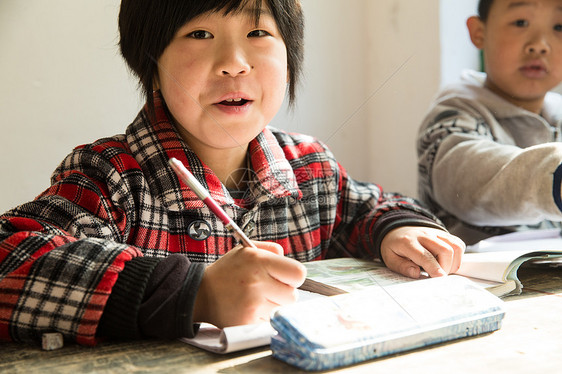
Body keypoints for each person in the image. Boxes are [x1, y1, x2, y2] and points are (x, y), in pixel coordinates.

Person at [0, 0, 464, 346]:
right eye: (200, 34)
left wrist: (397, 230)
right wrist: (191, 295)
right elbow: (9, 258)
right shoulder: (111, 177)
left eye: (259, 34)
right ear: (152, 66)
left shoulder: (309, 166)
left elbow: (366, 208)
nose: (234, 62)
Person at [418, 0, 562, 245]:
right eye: (520, 23)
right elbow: (470, 183)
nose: (539, 45)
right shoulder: (454, 114)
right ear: (478, 33)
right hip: (472, 278)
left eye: (559, 27)